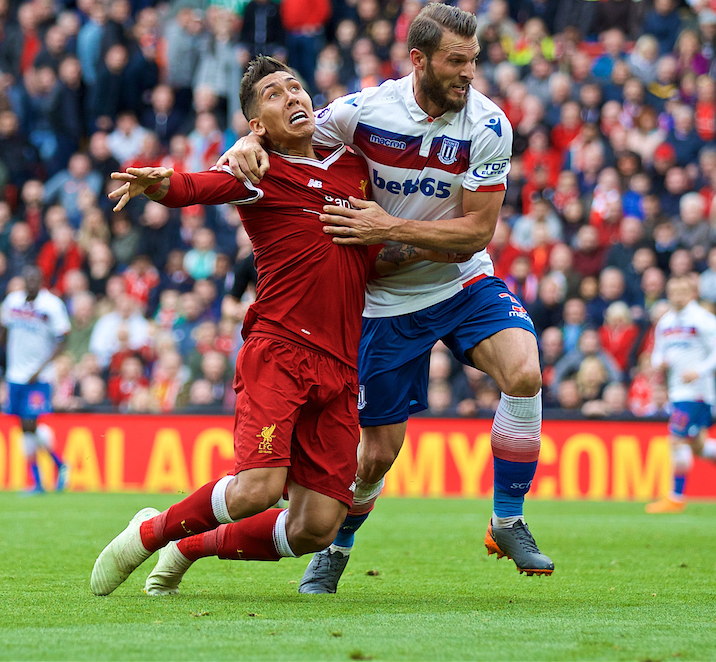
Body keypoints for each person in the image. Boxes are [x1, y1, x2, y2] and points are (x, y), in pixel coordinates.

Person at [219, 3, 552, 593]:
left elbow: (477, 232)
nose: (468, 74)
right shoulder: (363, 112)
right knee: (375, 456)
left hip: (462, 281)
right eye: (456, 61)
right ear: (418, 60)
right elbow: (284, 131)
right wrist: (243, 145)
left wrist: (387, 227)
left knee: (524, 370)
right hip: (384, 303)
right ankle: (337, 548)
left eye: (473, 61)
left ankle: (508, 519)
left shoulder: (489, 125)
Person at [90, 57, 453, 596]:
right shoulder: (258, 172)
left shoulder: (354, 166)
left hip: (340, 365)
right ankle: (147, 533)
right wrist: (162, 183)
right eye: (274, 95)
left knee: (315, 528)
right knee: (256, 489)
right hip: (280, 351)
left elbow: (374, 252)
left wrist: (445, 242)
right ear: (256, 124)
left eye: (296, 88)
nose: (292, 97)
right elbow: (199, 185)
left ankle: (187, 545)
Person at [644, 275, 716, 514]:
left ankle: (676, 497)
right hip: (677, 391)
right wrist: (660, 363)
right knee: (697, 446)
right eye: (673, 290)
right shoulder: (665, 322)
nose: (677, 295)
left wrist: (700, 371)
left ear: (691, 293)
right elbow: (657, 354)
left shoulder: (703, 319)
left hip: (697, 392)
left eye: (682, 290)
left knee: (675, 439)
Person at [0, 266, 70, 493]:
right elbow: (3, 331)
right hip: (16, 374)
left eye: (36, 278)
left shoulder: (52, 305)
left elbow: (63, 340)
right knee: (25, 426)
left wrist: (42, 367)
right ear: (23, 280)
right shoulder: (12, 302)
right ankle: (54, 468)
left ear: (41, 280)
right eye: (28, 278)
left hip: (39, 376)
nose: (32, 282)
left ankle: (44, 477)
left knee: (30, 422)